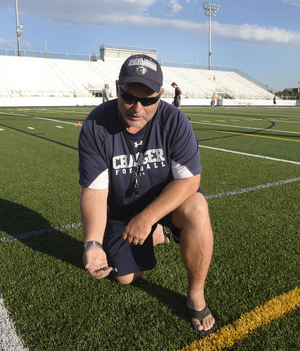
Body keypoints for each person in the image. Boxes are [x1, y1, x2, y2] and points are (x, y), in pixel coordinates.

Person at [78, 54, 217, 335]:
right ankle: (157, 235)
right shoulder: (96, 125)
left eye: (149, 100)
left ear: (161, 95)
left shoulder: (175, 121)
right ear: (117, 88)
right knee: (125, 278)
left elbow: (190, 181)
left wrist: (148, 217)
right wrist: (91, 242)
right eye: (129, 97)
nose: (137, 108)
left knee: (198, 207)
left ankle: (195, 294)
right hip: (121, 209)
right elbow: (94, 191)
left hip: (165, 203)